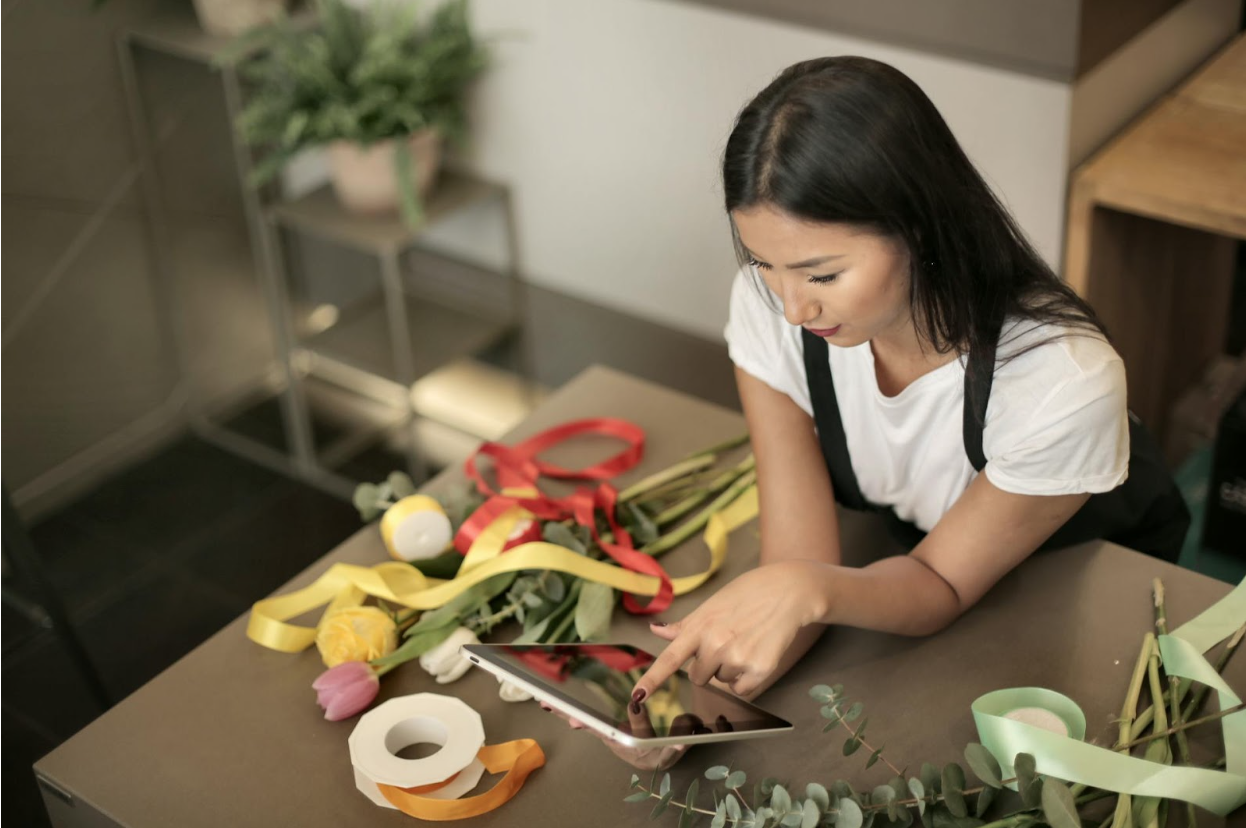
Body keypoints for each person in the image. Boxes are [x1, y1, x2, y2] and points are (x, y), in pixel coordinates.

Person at [543, 55, 1188, 770]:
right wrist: (694, 710)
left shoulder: (1060, 383)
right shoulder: (773, 311)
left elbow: (938, 583)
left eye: (823, 273)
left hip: (1077, 568)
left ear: (921, 227)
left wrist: (808, 588)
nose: (793, 306)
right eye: (764, 263)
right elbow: (802, 558)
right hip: (913, 560)